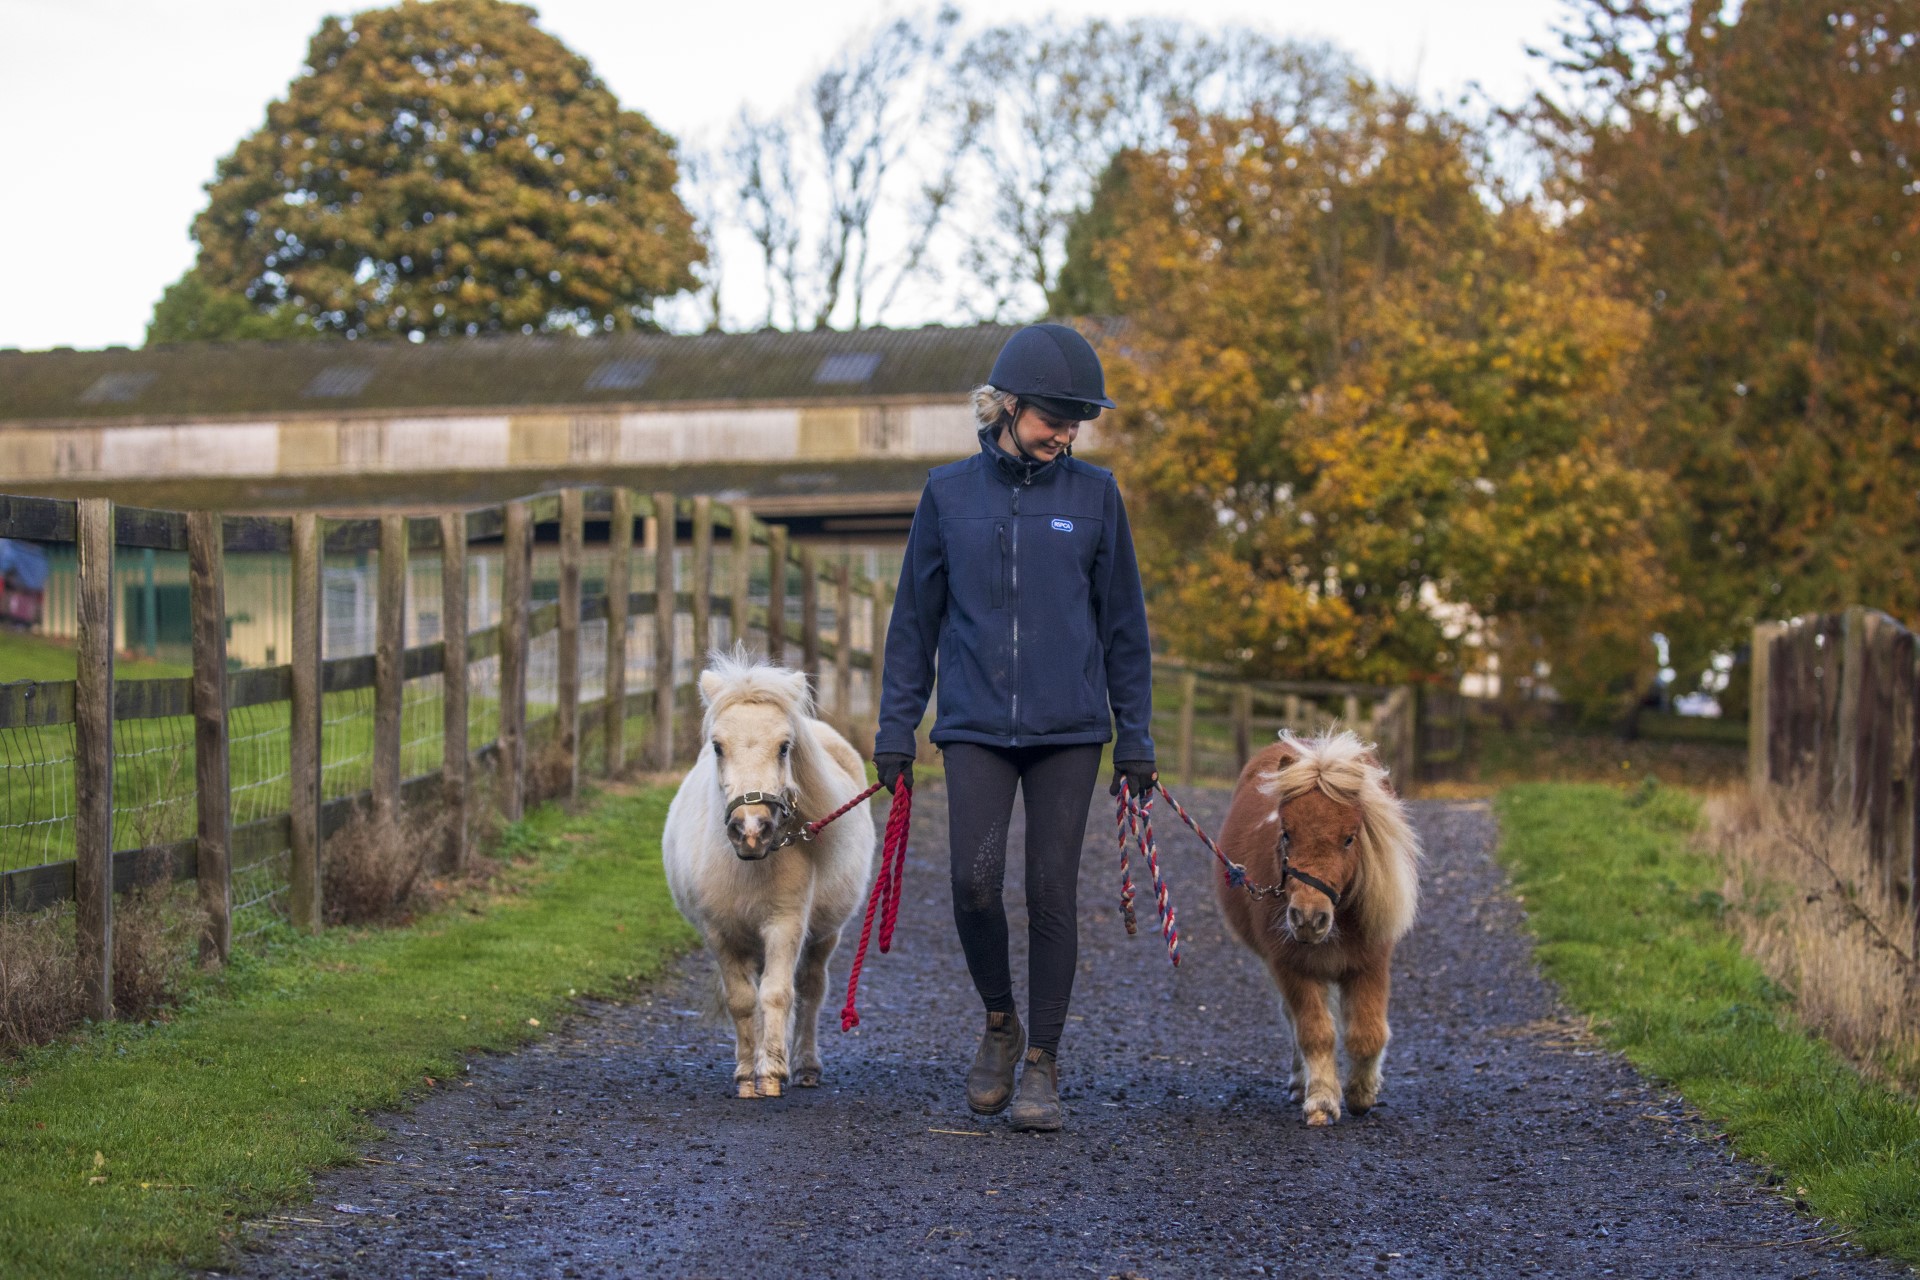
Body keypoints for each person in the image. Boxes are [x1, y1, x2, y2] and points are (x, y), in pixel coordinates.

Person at [873, 323, 1156, 1133]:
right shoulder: (947, 495)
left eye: (1076, 422)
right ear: (1005, 408)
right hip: (974, 725)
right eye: (1053, 418)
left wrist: (1134, 734)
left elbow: (1124, 628)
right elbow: (913, 624)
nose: (1066, 433)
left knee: (1050, 891)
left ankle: (1045, 1062)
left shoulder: (1096, 498)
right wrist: (897, 729)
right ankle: (1001, 1023)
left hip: (1070, 727)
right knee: (972, 880)